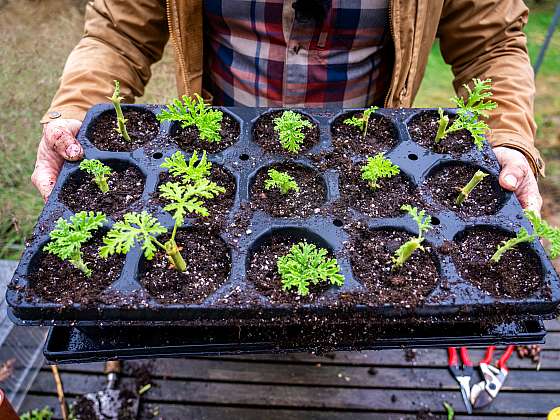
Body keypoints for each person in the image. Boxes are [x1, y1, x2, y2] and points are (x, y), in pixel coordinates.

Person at [32, 0, 544, 213]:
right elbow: (118, 33)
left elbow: (491, 44)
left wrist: (508, 137)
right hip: (218, 154)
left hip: (362, 164)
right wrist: (75, 112)